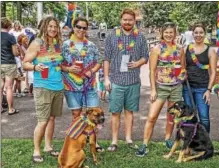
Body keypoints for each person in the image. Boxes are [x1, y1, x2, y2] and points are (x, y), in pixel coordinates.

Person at [135, 22, 186, 157]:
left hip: (176, 87)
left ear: (175, 33)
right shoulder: (157, 49)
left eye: (171, 32)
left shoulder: (180, 49)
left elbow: (183, 68)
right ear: (162, 33)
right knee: (152, 116)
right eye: (166, 32)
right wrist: (153, 90)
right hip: (161, 87)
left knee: (171, 116)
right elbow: (151, 71)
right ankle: (144, 144)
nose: (169, 35)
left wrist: (182, 74)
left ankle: (167, 139)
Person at [104, 8, 149, 151]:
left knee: (129, 111)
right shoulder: (112, 36)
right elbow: (106, 59)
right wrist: (106, 78)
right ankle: (114, 141)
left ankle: (129, 139)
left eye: (130, 20)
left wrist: (137, 63)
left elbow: (145, 57)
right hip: (116, 81)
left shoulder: (140, 37)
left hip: (133, 81)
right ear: (120, 20)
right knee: (115, 112)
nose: (127, 22)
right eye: (125, 19)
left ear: (134, 21)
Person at [23, 16, 64, 163]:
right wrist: (35, 67)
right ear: (44, 27)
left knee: (52, 118)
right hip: (43, 87)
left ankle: (48, 146)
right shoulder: (37, 43)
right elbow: (25, 63)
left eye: (55, 26)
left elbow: (59, 63)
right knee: (42, 120)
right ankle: (36, 150)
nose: (53, 29)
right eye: (50, 26)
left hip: (58, 86)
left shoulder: (58, 44)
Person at [61, 17, 104, 152]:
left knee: (94, 114)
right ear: (74, 27)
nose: (81, 30)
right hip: (71, 86)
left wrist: (92, 71)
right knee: (76, 115)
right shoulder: (65, 45)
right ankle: (77, 141)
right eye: (78, 27)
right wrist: (69, 69)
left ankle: (94, 142)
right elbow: (59, 64)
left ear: (87, 29)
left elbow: (99, 61)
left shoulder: (91, 45)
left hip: (89, 85)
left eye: (84, 28)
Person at [182, 23, 217, 133]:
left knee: (204, 118)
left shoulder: (210, 51)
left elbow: (213, 73)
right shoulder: (186, 48)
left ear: (205, 34)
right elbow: (183, 68)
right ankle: (190, 144)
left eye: (201, 32)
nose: (198, 35)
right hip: (187, 88)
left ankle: (206, 144)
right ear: (192, 34)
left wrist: (209, 90)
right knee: (188, 117)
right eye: (196, 32)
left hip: (202, 88)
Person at [1, 17, 20, 114]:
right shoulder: (10, 37)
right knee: (9, 87)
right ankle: (10, 109)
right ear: (8, 26)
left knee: (0, 86)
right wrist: (18, 51)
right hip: (9, 63)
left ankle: (0, 108)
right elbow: (15, 53)